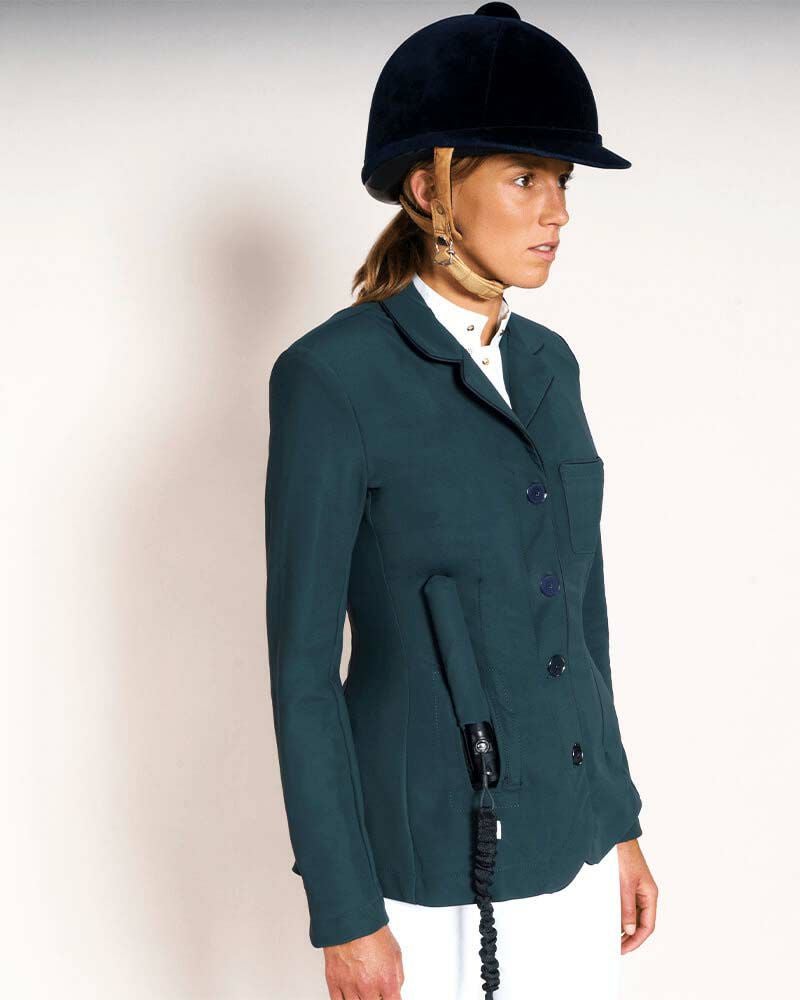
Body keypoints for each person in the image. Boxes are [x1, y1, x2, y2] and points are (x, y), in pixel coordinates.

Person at [265, 5, 658, 998]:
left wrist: (618, 822)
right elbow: (304, 671)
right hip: (434, 873)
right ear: (429, 187)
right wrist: (345, 911)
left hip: (573, 850)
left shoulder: (550, 364)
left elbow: (582, 617)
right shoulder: (332, 378)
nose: (556, 212)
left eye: (562, 182)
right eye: (525, 178)